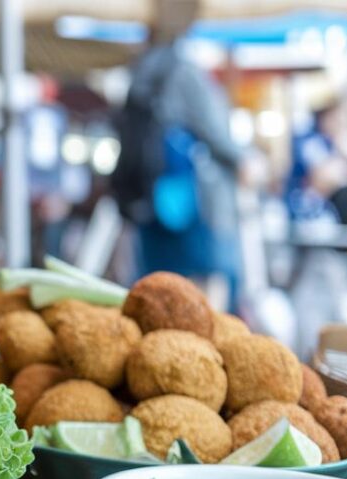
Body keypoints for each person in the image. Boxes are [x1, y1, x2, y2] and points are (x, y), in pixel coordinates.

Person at [111, 0, 243, 307]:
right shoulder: (183, 70)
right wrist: (245, 161)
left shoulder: (140, 70)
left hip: (150, 199)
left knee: (156, 288)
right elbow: (216, 133)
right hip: (187, 200)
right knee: (198, 293)